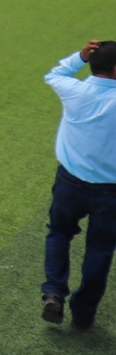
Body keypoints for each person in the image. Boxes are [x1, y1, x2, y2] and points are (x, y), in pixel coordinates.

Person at [41, 41, 116, 330]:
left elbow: (55, 74)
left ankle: (54, 293)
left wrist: (79, 57)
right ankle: (83, 313)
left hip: (69, 183)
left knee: (59, 233)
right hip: (111, 192)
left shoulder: (73, 91)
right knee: (100, 250)